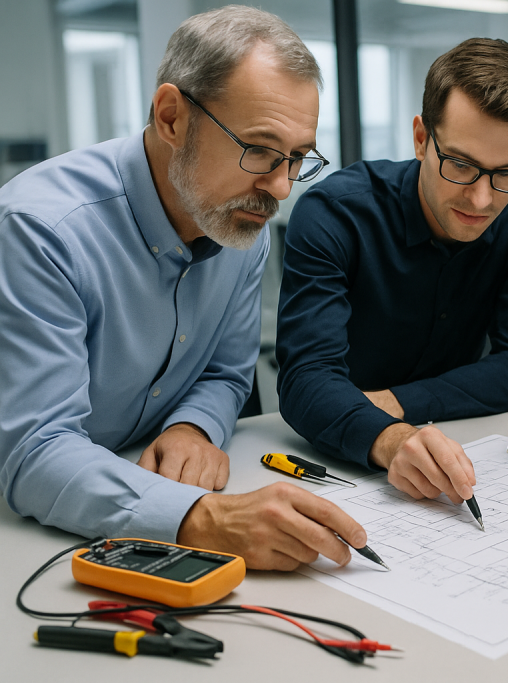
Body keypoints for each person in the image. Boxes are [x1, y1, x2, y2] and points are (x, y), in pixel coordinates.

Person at [0, 6, 368, 571]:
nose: (279, 187)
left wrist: (193, 426)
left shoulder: (241, 221)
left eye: (297, 159)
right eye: (260, 151)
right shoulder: (41, 229)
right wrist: (204, 519)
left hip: (124, 493)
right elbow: (35, 450)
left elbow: (225, 372)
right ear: (171, 117)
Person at [277, 38, 508, 506]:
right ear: (421, 139)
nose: (483, 199)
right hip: (343, 461)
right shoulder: (335, 214)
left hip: (469, 447)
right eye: (462, 165)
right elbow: (306, 377)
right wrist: (390, 438)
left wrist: (397, 401)